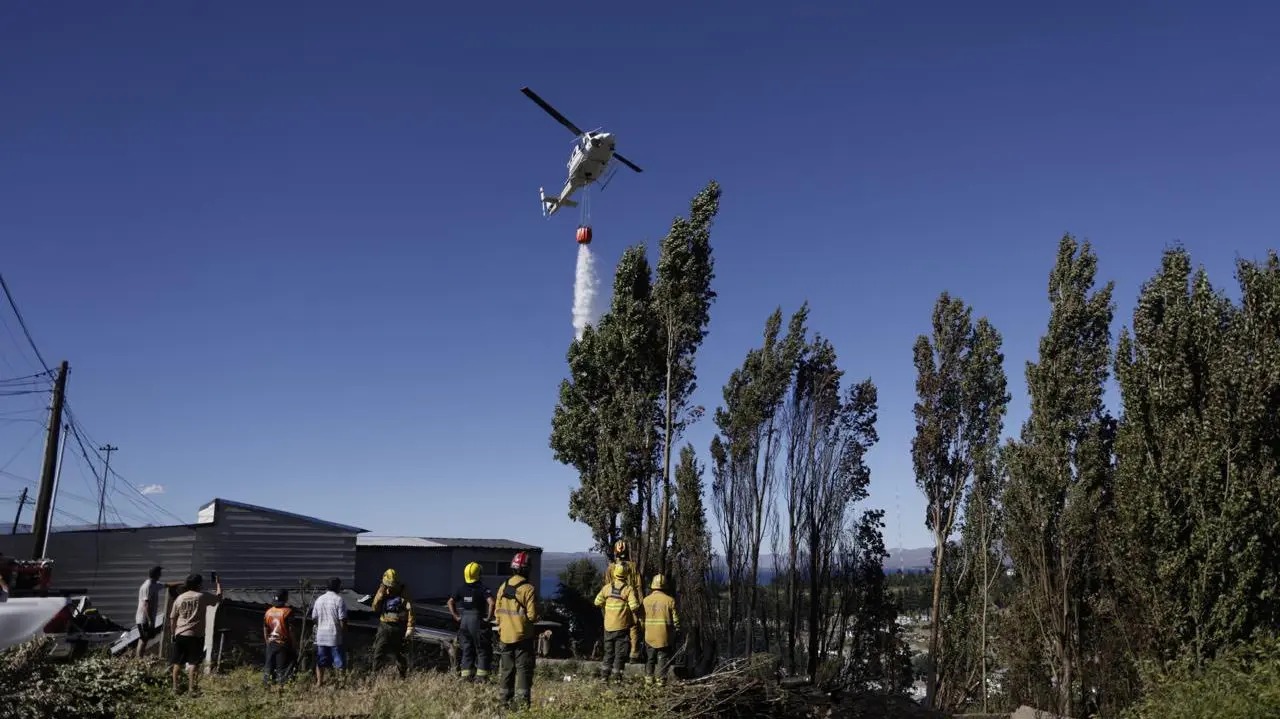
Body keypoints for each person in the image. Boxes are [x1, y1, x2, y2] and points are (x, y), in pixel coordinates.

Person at [494, 551, 539, 709]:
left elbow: (497, 612)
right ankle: (521, 705)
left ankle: (503, 702)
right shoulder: (528, 589)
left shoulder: (503, 586)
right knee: (523, 670)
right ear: (527, 569)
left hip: (504, 636)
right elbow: (533, 616)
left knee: (506, 670)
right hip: (522, 638)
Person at [168, 573, 222, 694]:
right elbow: (218, 598)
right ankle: (192, 688)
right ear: (199, 584)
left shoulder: (180, 598)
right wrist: (218, 583)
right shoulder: (202, 596)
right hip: (195, 635)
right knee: (193, 662)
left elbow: (172, 617)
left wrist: (173, 633)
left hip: (180, 634)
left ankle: (175, 688)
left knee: (177, 662)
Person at [447, 561, 494, 683]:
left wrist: (456, 616)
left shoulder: (461, 588)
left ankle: (466, 677)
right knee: (482, 649)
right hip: (477, 619)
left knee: (467, 649)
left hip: (464, 620)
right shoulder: (483, 588)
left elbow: (450, 602)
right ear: (479, 574)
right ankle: (481, 678)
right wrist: (488, 618)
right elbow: (491, 602)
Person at [594, 562, 640, 682]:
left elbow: (597, 602)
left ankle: (604, 677)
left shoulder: (607, 587)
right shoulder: (628, 589)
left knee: (608, 653)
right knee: (620, 654)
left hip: (608, 627)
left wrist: (607, 606)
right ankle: (616, 678)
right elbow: (634, 606)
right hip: (622, 627)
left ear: (614, 574)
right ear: (626, 575)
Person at [371, 568, 414, 678]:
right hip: (384, 626)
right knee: (378, 652)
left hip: (399, 627)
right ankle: (374, 675)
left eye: (392, 585)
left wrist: (410, 627)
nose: (390, 587)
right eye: (388, 585)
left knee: (399, 653)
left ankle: (403, 676)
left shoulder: (402, 592)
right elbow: (375, 608)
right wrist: (381, 595)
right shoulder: (382, 590)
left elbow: (410, 609)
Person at [642, 574, 680, 686]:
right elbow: (676, 620)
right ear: (665, 586)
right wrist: (677, 630)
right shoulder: (670, 600)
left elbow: (641, 618)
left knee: (650, 658)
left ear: (653, 586)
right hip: (664, 636)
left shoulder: (646, 600)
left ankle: (648, 680)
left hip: (649, 635)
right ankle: (661, 681)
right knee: (663, 658)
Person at [310, 576, 348, 687]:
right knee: (339, 662)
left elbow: (314, 617)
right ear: (337, 587)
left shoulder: (319, 599)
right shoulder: (339, 600)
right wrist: (344, 632)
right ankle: (341, 683)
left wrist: (321, 624)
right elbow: (343, 619)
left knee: (321, 661)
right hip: (334, 636)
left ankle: (319, 682)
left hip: (321, 636)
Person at [612, 539, 644, 661]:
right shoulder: (633, 566)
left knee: (616, 628)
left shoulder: (612, 568)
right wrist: (640, 603)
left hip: (615, 603)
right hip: (631, 602)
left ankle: (618, 655)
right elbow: (639, 586)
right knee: (633, 627)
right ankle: (633, 654)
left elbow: (607, 586)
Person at [262, 588, 296, 687]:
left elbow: (265, 628)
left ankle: (267, 686)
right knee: (282, 668)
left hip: (271, 642)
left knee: (269, 666)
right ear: (286, 598)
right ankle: (281, 687)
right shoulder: (287, 611)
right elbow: (291, 630)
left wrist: (267, 641)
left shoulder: (268, 612)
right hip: (283, 643)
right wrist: (294, 644)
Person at [135, 566, 164, 658]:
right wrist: (150, 619)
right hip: (144, 618)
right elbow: (145, 605)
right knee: (144, 640)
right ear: (156, 574)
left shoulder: (154, 584)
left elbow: (166, 585)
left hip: (145, 618)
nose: (161, 574)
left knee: (143, 639)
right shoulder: (148, 586)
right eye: (159, 572)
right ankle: (139, 659)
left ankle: (139, 658)